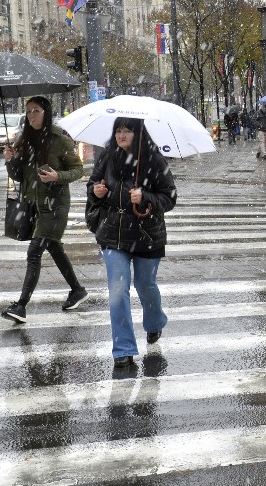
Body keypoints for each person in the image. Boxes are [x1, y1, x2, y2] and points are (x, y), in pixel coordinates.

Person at [86, 117, 177, 368]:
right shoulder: (107, 156)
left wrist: (145, 196)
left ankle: (155, 322)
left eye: (127, 130)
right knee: (117, 290)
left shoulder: (154, 160)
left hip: (147, 236)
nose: (121, 135)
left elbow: (169, 197)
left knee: (145, 285)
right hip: (113, 234)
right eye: (118, 130)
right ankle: (123, 349)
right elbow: (93, 183)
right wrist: (96, 190)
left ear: (138, 134)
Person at [1, 96, 88, 323]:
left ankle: (21, 306)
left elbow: (78, 170)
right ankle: (77, 290)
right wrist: (10, 160)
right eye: (28, 111)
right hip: (34, 206)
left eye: (36, 111)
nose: (31, 115)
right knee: (53, 247)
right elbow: (18, 176)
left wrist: (58, 176)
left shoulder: (59, 138)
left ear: (46, 113)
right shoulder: (25, 139)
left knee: (34, 252)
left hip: (55, 205)